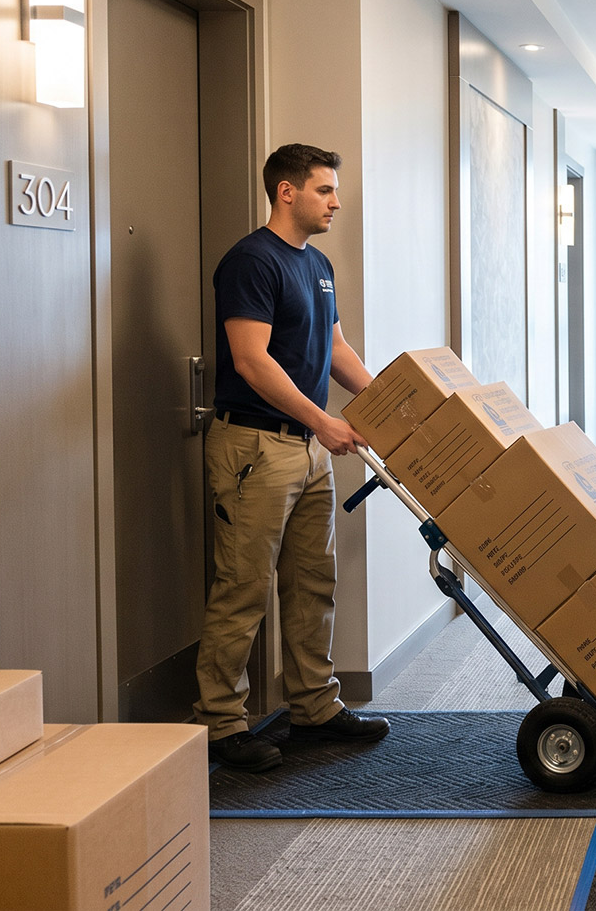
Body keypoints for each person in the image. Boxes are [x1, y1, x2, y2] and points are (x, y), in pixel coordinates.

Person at [195, 143, 391, 772]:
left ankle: (313, 707)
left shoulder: (319, 265)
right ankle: (221, 724)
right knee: (244, 586)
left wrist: (395, 405)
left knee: (313, 582)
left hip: (308, 449)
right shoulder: (251, 262)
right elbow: (252, 360)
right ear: (287, 191)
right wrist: (323, 421)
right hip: (256, 446)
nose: (336, 201)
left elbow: (335, 349)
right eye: (325, 190)